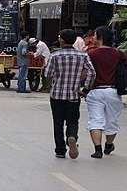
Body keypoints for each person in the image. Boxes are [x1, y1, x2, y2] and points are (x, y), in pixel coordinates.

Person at [44, 29, 95, 159]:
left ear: (62, 40)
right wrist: (85, 89)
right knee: (72, 121)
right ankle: (71, 137)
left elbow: (47, 74)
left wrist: (54, 77)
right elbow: (92, 72)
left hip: (56, 95)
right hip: (73, 95)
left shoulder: (55, 55)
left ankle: (60, 150)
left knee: (58, 122)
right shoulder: (82, 55)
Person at [85, 26, 127, 158]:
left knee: (95, 121)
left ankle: (97, 149)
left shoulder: (91, 54)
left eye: (94, 35)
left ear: (100, 37)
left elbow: (85, 73)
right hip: (113, 91)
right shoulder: (118, 53)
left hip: (95, 91)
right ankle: (108, 145)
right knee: (112, 121)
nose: (92, 38)